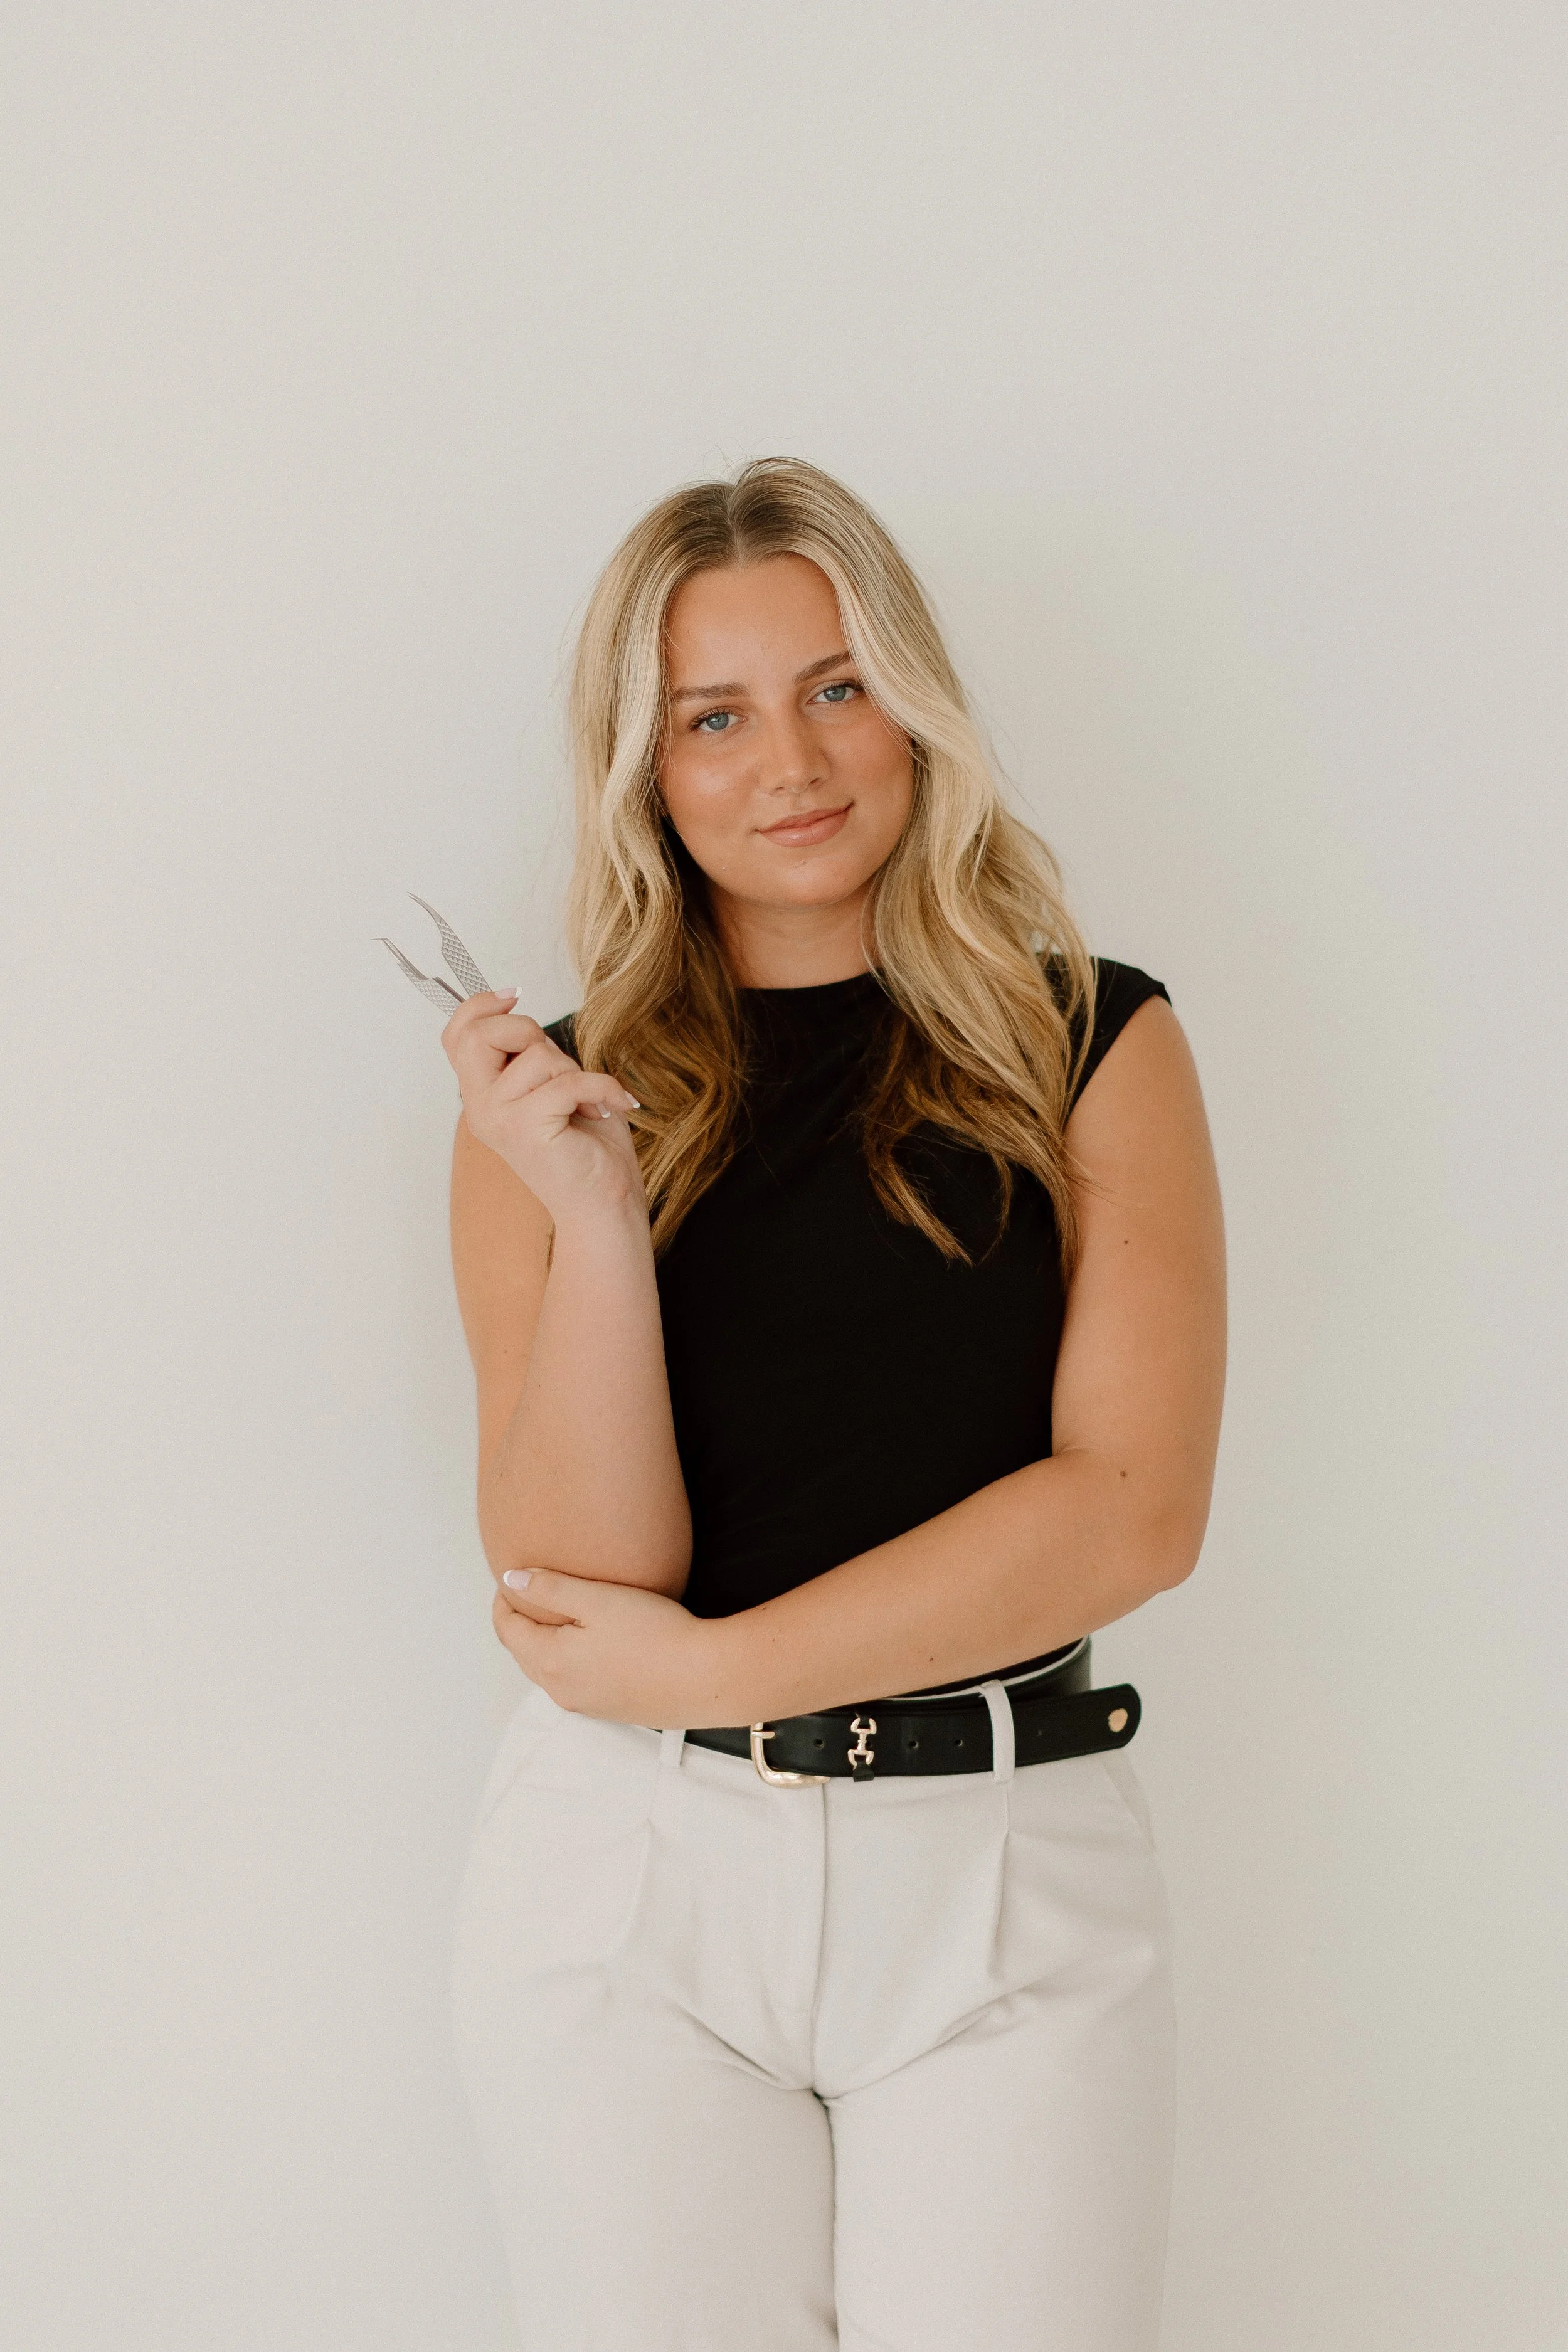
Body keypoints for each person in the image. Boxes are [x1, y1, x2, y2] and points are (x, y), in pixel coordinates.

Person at [443, 458, 1226, 2352]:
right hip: (633, 1887)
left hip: (1004, 1869)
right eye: (711, 716)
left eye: (835, 686)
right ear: (644, 766)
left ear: (914, 707)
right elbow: (576, 1578)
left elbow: (1127, 1509)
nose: (786, 758)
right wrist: (601, 1221)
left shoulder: (1092, 1040)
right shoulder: (546, 1107)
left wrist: (717, 1674)